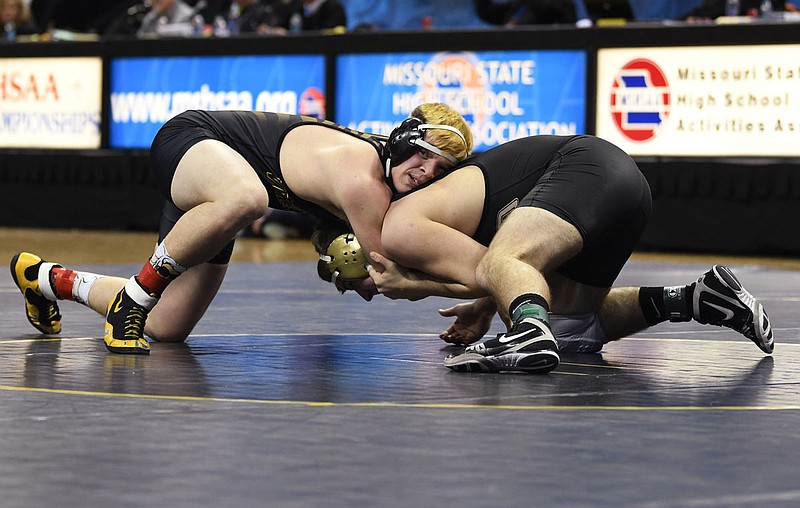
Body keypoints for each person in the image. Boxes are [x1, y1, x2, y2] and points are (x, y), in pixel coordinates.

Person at [10, 104, 472, 356]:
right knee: (247, 199)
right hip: (194, 141)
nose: (425, 173)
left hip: (217, 193)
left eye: (440, 170)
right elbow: (389, 276)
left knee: (167, 327)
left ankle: (48, 279)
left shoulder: (385, 190)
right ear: (400, 140)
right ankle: (132, 299)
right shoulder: (364, 179)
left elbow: (375, 271)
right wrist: (479, 289)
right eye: (422, 156)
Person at [351, 134, 774, 374]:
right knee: (574, 329)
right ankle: (698, 298)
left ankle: (527, 331)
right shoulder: (445, 204)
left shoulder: (401, 223)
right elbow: (496, 269)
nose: (428, 173)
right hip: (625, 190)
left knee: (508, 265)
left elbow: (493, 266)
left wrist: (414, 286)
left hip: (585, 167)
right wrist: (483, 306)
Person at [473, 0, 578, 25]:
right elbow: (489, 14)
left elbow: (547, 11)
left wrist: (515, 26)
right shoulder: (519, 5)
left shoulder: (557, 4)